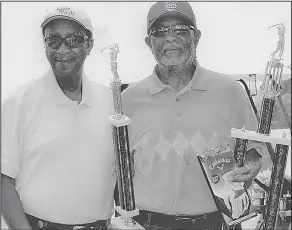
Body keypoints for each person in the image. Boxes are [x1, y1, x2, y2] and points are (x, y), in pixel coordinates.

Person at [122, 2, 266, 229]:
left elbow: (255, 152)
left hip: (218, 224)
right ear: (149, 42)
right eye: (160, 31)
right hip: (148, 224)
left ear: (196, 37)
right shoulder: (127, 100)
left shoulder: (230, 91)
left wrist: (249, 168)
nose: (170, 37)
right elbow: (119, 169)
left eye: (180, 29)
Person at [1, 6, 116, 230]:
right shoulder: (18, 103)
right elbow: (3, 179)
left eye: (73, 40)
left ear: (89, 45)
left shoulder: (111, 102)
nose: (62, 49)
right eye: (53, 40)